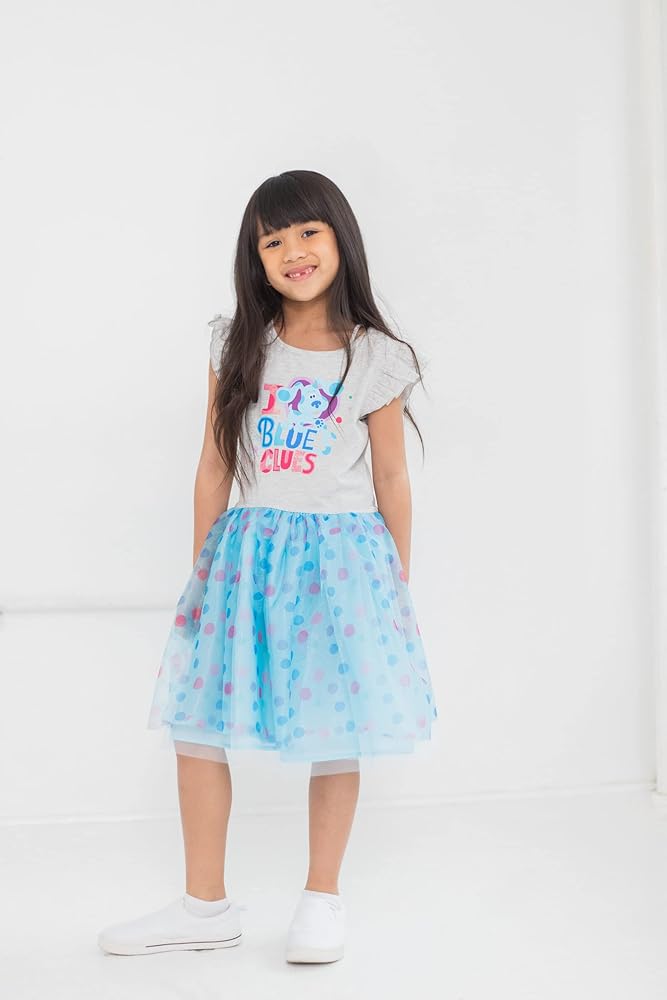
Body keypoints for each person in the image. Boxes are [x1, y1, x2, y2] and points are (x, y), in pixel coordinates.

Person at [97, 169, 439, 965]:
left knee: (337, 727)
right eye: (271, 240)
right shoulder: (237, 343)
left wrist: (395, 580)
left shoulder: (376, 356)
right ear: (254, 259)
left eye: (307, 232)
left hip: (342, 560)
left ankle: (321, 897)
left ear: (340, 238)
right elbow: (214, 464)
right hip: (247, 557)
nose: (292, 251)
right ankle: (203, 905)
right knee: (195, 722)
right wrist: (202, 571)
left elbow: (392, 477)